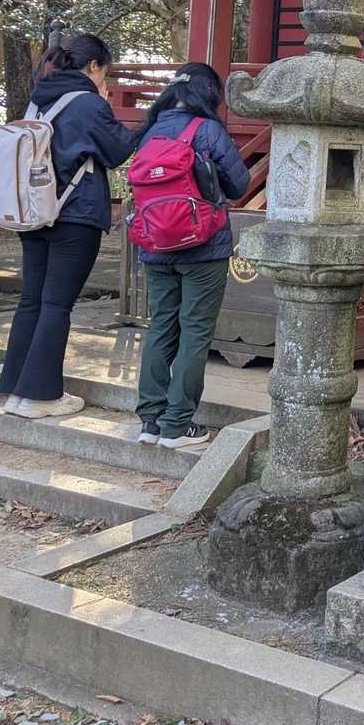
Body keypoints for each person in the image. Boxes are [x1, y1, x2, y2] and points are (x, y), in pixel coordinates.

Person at [0, 34, 136, 419]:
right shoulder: (89, 103)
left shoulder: (38, 101)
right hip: (75, 215)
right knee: (57, 305)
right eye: (105, 72)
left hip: (34, 213)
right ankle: (40, 398)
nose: (104, 80)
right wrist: (104, 105)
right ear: (93, 66)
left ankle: (16, 391)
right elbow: (118, 150)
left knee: (32, 301)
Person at [134, 63, 250, 449]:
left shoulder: (150, 131)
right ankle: (177, 425)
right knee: (195, 332)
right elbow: (239, 184)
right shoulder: (207, 130)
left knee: (161, 327)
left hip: (155, 245)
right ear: (210, 94)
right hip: (203, 246)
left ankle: (150, 421)